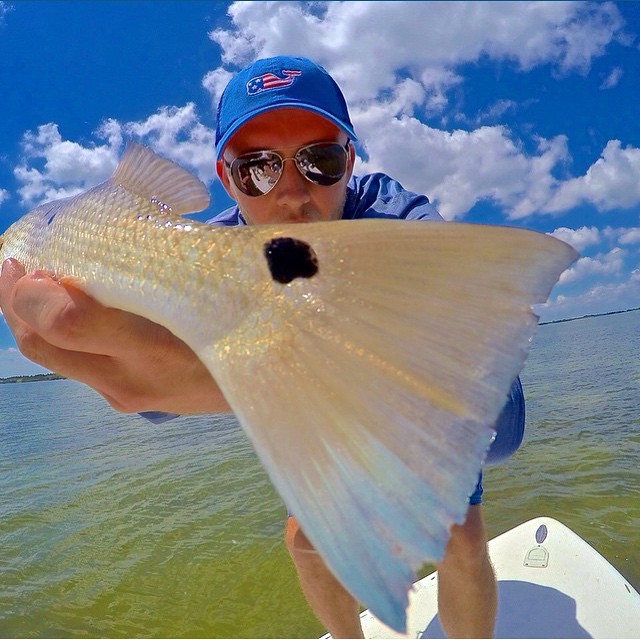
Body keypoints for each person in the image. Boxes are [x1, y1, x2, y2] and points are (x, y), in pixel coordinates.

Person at [0, 56, 525, 638]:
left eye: (319, 161)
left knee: (459, 535)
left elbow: (476, 345)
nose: (293, 195)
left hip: (455, 405)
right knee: (304, 541)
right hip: (339, 421)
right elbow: (154, 390)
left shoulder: (390, 213)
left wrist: (249, 371)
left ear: (349, 161)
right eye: (257, 169)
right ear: (226, 180)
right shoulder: (208, 248)